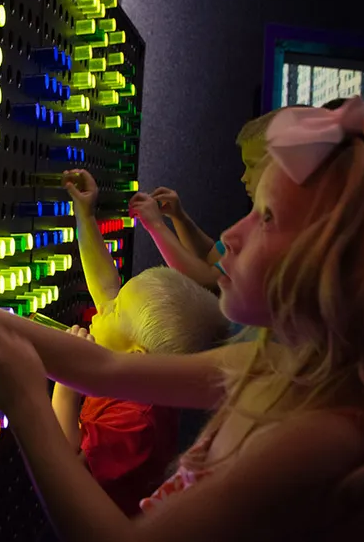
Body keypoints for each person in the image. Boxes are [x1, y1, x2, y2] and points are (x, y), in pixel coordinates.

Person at [0, 95, 364, 540]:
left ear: (339, 264)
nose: (233, 237)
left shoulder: (327, 439)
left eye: (264, 217)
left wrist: (28, 404)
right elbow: (103, 368)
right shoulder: (271, 363)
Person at [50, 169, 229, 516]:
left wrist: (65, 386)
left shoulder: (136, 424)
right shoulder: (141, 378)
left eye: (115, 311)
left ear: (136, 354)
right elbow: (105, 289)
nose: (104, 308)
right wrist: (85, 214)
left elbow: (66, 465)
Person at [135, 100, 348, 292]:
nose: (244, 177)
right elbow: (212, 256)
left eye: (253, 166)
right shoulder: (266, 222)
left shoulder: (281, 233)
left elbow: (206, 282)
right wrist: (179, 218)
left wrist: (156, 225)